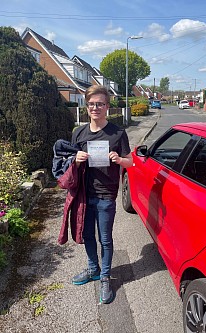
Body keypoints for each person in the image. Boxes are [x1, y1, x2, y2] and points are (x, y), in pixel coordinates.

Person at [71, 85, 133, 304]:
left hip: (106, 194)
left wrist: (119, 159)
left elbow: (130, 161)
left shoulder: (118, 133)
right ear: (86, 106)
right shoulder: (78, 132)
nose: (95, 107)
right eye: (91, 104)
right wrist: (76, 159)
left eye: (100, 104)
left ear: (107, 106)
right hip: (84, 194)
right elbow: (69, 162)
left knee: (105, 239)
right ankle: (93, 269)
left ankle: (105, 276)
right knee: (87, 235)